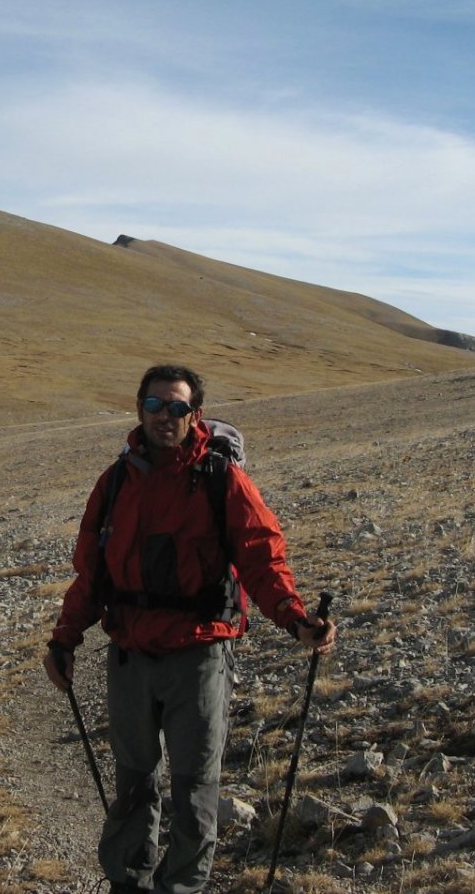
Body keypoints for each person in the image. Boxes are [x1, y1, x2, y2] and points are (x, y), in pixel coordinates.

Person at [44, 364, 336, 894]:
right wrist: (64, 639)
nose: (164, 416)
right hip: (131, 654)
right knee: (134, 781)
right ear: (139, 410)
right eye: (155, 406)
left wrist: (295, 618)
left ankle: (181, 887)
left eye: (177, 407)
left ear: (194, 415)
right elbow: (93, 574)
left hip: (199, 654)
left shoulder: (222, 480)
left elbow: (261, 559)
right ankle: (128, 883)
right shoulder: (115, 483)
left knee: (194, 784)